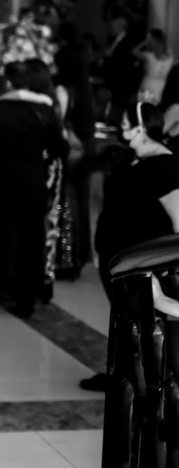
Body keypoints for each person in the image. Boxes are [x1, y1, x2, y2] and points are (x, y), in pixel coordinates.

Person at [0, 60, 70, 318]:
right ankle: (26, 302)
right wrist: (41, 158)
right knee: (31, 245)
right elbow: (62, 148)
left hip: (1, 184)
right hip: (33, 185)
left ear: (7, 82)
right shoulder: (44, 111)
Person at [80, 101, 179, 391]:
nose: (121, 130)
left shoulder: (164, 165)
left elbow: (178, 220)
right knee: (123, 320)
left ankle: (141, 384)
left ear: (141, 128)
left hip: (144, 263)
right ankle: (120, 376)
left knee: (143, 323)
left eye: (125, 124)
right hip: (117, 256)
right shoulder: (131, 157)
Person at [103, 12, 140, 122]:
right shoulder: (114, 39)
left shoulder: (128, 41)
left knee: (118, 110)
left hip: (121, 82)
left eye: (113, 25)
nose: (110, 28)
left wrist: (110, 57)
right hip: (114, 83)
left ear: (120, 26)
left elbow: (124, 62)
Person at [135, 29, 173, 105]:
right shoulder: (170, 54)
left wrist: (144, 43)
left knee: (145, 107)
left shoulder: (149, 56)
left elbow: (134, 51)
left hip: (148, 85)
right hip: (162, 85)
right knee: (155, 107)